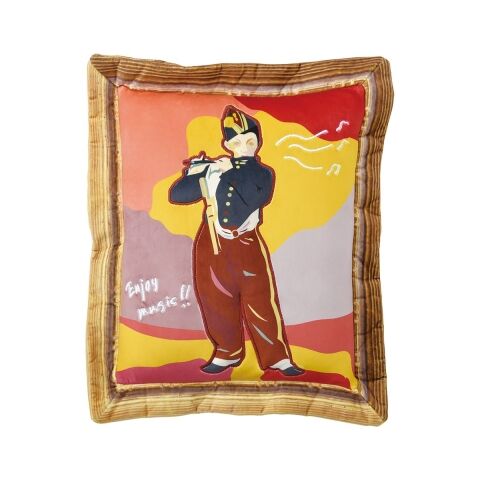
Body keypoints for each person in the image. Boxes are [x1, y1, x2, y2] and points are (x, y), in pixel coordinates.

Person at [169, 105, 304, 376]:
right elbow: (178, 195)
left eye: (250, 141)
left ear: (258, 142)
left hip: (246, 242)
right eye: (238, 142)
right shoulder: (214, 170)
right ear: (228, 144)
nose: (245, 147)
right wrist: (195, 172)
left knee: (259, 299)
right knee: (215, 299)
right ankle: (226, 352)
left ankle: (277, 358)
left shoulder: (262, 173)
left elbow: (252, 199)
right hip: (212, 242)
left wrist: (228, 171)